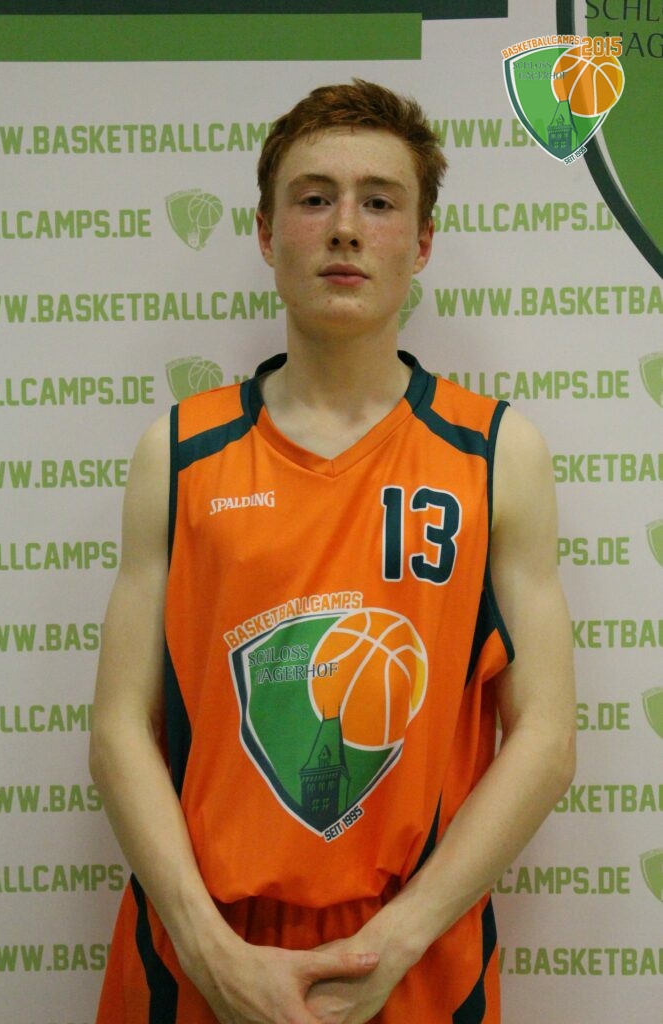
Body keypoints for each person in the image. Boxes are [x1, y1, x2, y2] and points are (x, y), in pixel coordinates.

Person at [90, 79, 576, 1024]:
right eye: (314, 198)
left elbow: (545, 739)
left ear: (421, 242)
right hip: (200, 945)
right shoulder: (179, 450)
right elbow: (118, 731)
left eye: (379, 202)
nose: (345, 228)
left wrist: (396, 941)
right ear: (267, 234)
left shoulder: (493, 453)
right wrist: (209, 949)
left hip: (414, 948)